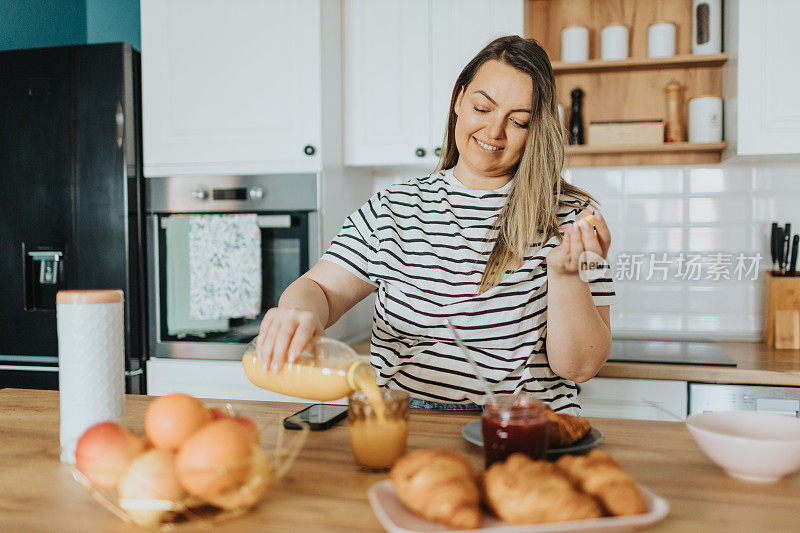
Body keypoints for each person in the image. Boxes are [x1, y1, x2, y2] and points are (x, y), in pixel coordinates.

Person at [254, 36, 615, 414]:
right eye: (482, 108)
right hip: (408, 424)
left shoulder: (573, 218)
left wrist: (567, 276)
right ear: (459, 99)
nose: (494, 132)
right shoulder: (393, 207)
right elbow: (319, 289)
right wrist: (300, 312)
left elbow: (580, 366)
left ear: (536, 128)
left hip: (527, 429)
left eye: (518, 121)